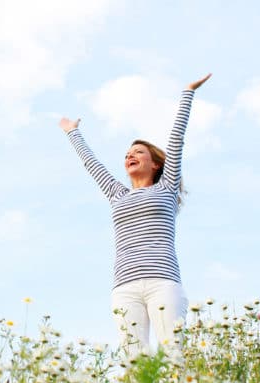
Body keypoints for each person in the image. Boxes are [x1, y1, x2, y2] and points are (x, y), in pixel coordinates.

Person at [59, 74, 212, 356]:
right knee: (134, 357)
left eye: (138, 152)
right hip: (124, 285)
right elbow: (91, 163)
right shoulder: (117, 194)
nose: (130, 155)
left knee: (172, 353)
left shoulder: (166, 188)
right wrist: (72, 132)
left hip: (162, 280)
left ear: (154, 163)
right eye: (128, 153)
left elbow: (177, 139)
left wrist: (188, 92)